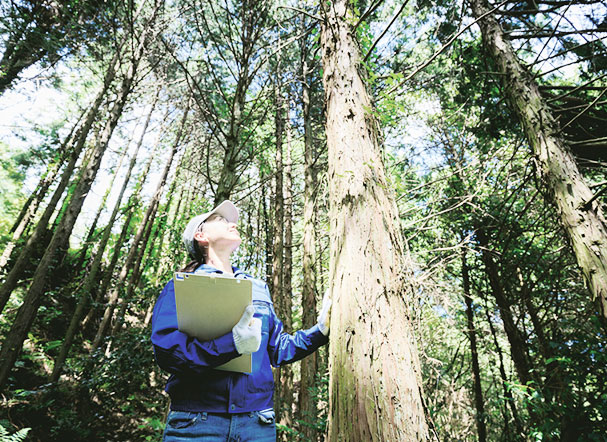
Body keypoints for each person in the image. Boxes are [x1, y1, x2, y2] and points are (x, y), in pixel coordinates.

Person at [151, 200, 331, 441]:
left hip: (257, 423)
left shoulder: (257, 288)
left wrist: (320, 331)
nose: (232, 224)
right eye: (221, 220)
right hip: (195, 422)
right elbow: (167, 351)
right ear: (200, 236)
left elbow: (278, 350)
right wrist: (231, 344)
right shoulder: (180, 286)